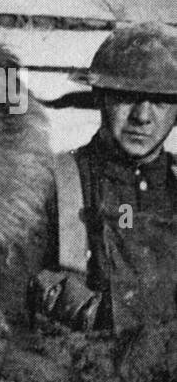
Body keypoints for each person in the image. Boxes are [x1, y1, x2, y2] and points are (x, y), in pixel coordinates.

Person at [31, 22, 177, 334]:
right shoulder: (56, 184)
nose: (142, 116)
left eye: (161, 101)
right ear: (100, 97)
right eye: (127, 96)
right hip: (76, 369)